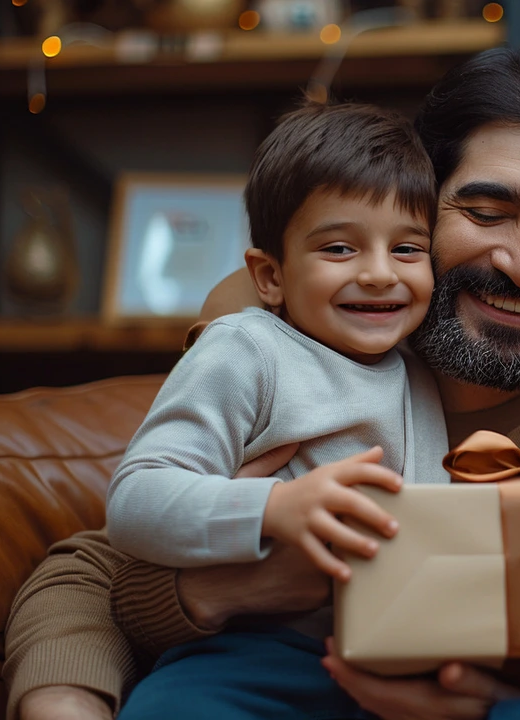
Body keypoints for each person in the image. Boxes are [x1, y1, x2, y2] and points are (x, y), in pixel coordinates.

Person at [5, 38, 520, 720]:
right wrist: (218, 600)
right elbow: (94, 563)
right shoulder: (319, 364)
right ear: (415, 211)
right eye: (486, 213)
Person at [103, 102, 458, 719]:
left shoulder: (420, 369)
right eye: (340, 248)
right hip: (254, 649)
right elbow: (134, 501)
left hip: (398, 656)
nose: (379, 274)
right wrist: (273, 507)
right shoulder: (247, 348)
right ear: (270, 276)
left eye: (407, 249)